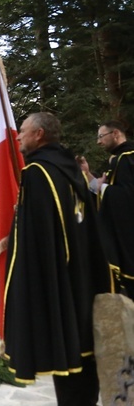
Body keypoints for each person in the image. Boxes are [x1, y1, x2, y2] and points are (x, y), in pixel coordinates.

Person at [4, 113, 110, 404]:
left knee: (68, 361)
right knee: (81, 360)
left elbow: (39, 237)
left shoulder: (38, 172)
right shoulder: (70, 168)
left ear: (38, 134)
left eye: (22, 131)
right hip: (82, 277)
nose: (18, 136)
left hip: (58, 280)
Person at [79, 121, 134, 296]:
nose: (98, 142)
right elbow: (109, 193)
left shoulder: (127, 158)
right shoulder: (119, 159)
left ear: (116, 134)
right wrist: (88, 175)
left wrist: (103, 188)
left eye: (101, 136)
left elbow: (126, 196)